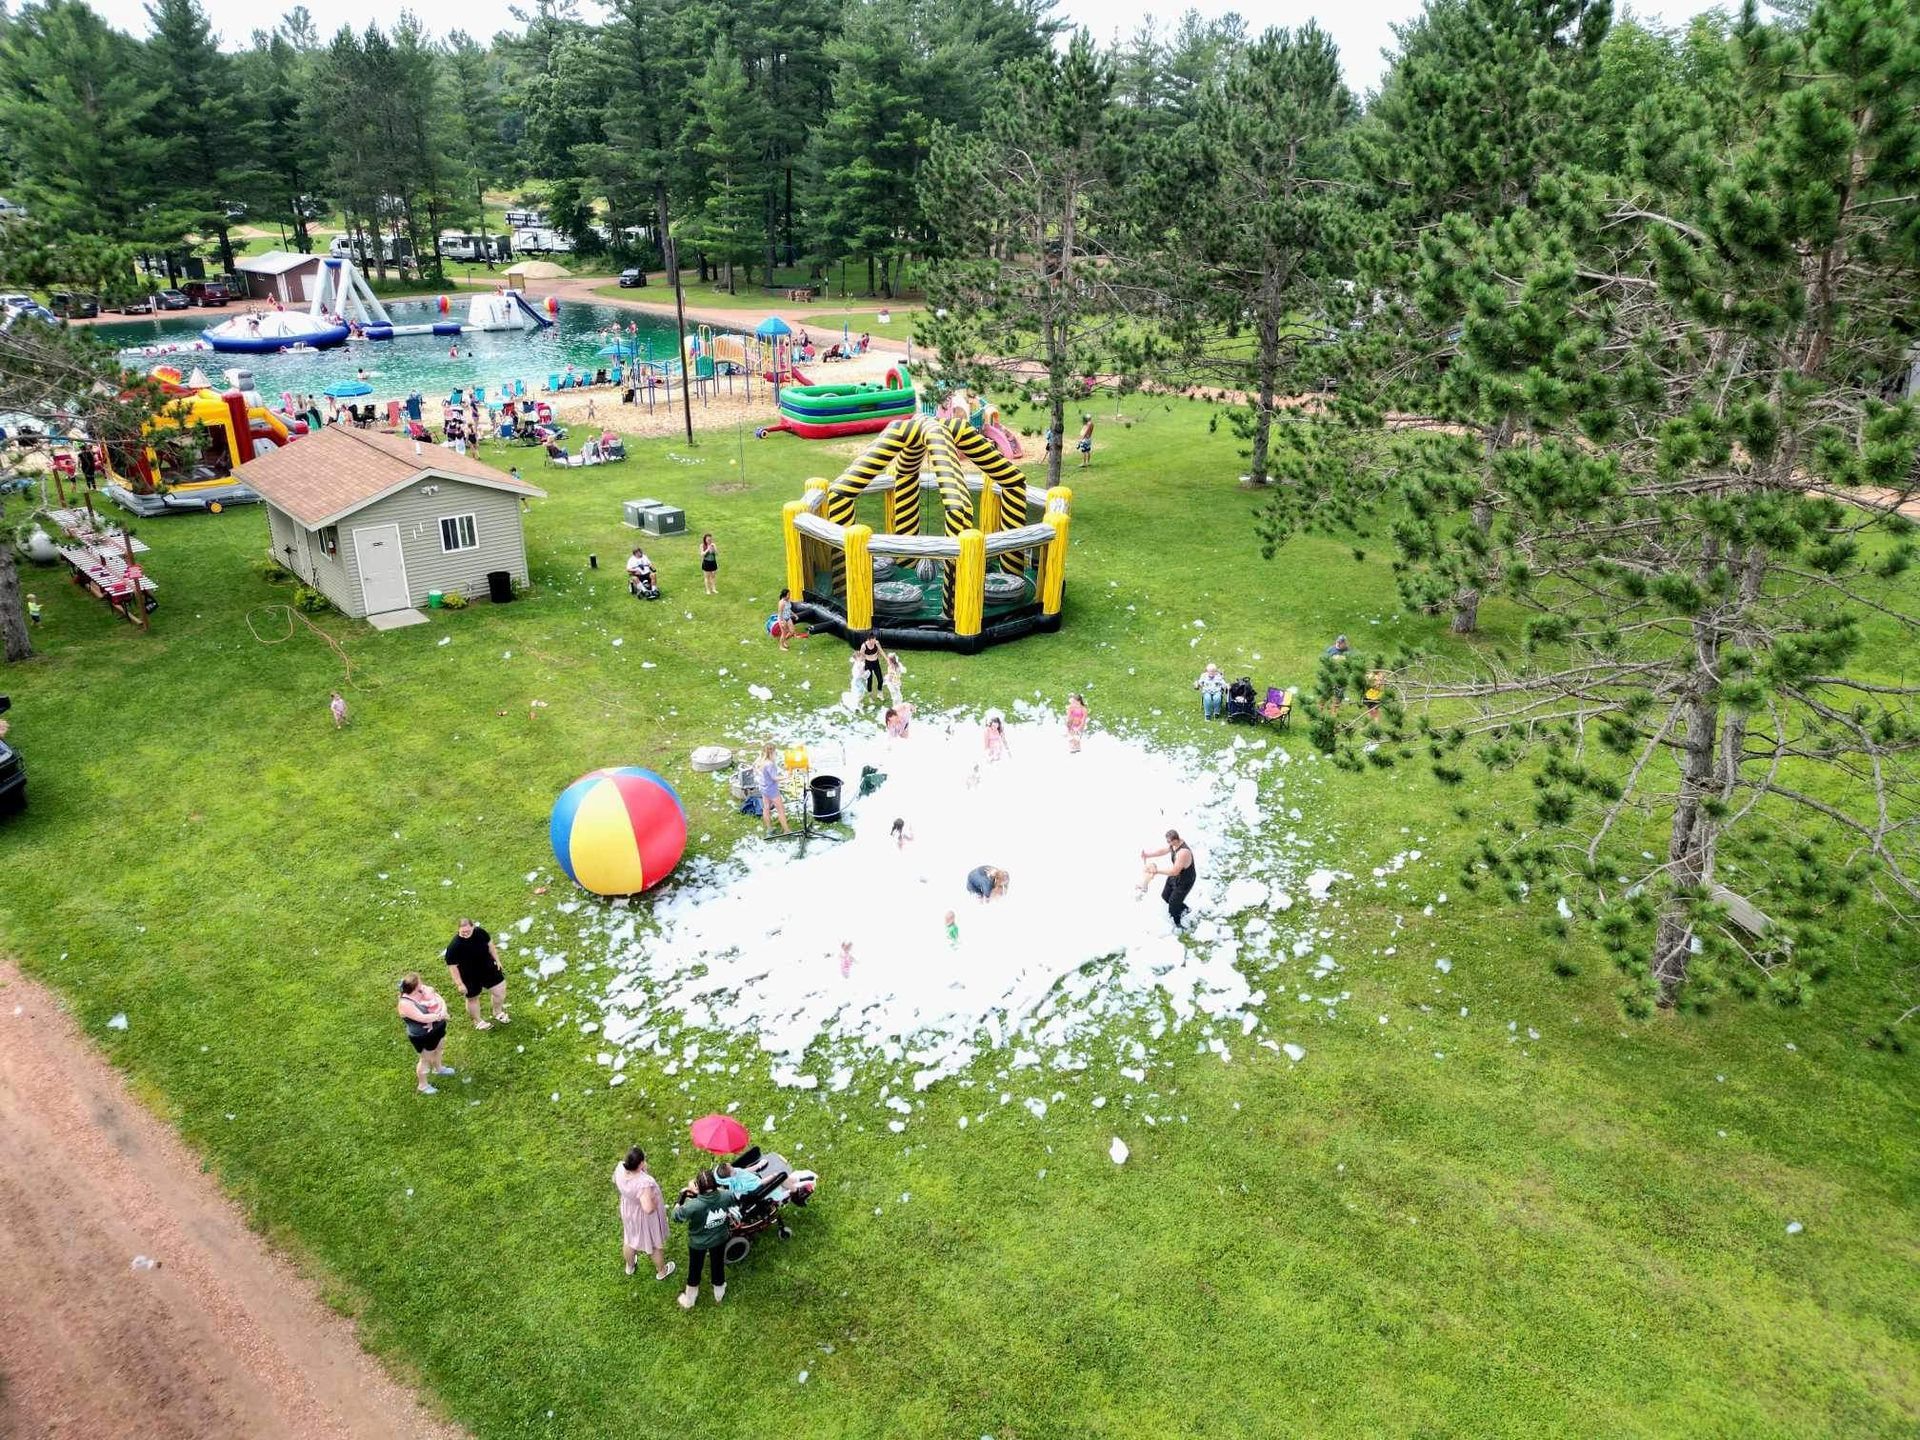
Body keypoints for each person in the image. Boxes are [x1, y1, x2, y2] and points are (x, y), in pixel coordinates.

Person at [672, 1170, 735, 1308]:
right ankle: (719, 1291)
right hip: (720, 1238)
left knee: (695, 1268)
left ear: (699, 1187)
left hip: (698, 1243)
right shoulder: (727, 1195)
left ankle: (690, 1299)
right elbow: (729, 1199)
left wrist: (681, 1198)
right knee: (717, 1264)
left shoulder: (692, 1206)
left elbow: (675, 1216)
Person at [613, 1147, 676, 1280]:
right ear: (641, 1163)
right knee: (653, 1245)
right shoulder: (643, 1183)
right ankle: (662, 1271)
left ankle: (630, 1266)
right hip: (643, 1217)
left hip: (629, 1210)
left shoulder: (620, 1168)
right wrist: (654, 1201)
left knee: (630, 1239)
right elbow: (647, 1208)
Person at [443, 917, 509, 1028]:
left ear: (473, 927)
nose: (465, 933)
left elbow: (490, 945)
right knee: (473, 998)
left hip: (488, 968)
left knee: (500, 991)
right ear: (458, 929)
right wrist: (460, 984)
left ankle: (498, 1012)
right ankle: (478, 1021)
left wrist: (497, 960)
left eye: (468, 931)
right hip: (469, 975)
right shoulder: (454, 946)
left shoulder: (480, 933)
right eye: (462, 931)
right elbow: (452, 967)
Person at [396, 974, 454, 1094]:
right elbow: (422, 1018)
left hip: (438, 1028)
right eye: (419, 983)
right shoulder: (405, 1004)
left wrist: (443, 1010)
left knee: (439, 1049)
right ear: (414, 988)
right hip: (423, 1036)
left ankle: (439, 1068)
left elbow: (439, 999)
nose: (422, 984)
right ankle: (423, 1085)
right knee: (425, 1059)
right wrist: (440, 1016)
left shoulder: (422, 989)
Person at [1140, 830, 1198, 931]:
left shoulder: (1183, 852)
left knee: (1173, 903)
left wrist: (1156, 871)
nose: (1168, 844)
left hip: (1185, 880)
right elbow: (1163, 851)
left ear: (1175, 840)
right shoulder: (1173, 845)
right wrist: (1148, 855)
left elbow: (1175, 871)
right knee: (1165, 896)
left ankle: (1178, 924)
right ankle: (1185, 909)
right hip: (1176, 876)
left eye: (1169, 842)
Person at [757, 743, 791, 836]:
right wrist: (786, 777)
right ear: (771, 753)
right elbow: (774, 777)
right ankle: (786, 830)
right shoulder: (770, 764)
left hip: (764, 788)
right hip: (772, 790)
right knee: (780, 810)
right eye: (775, 752)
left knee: (766, 808)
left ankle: (769, 829)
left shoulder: (762, 761)